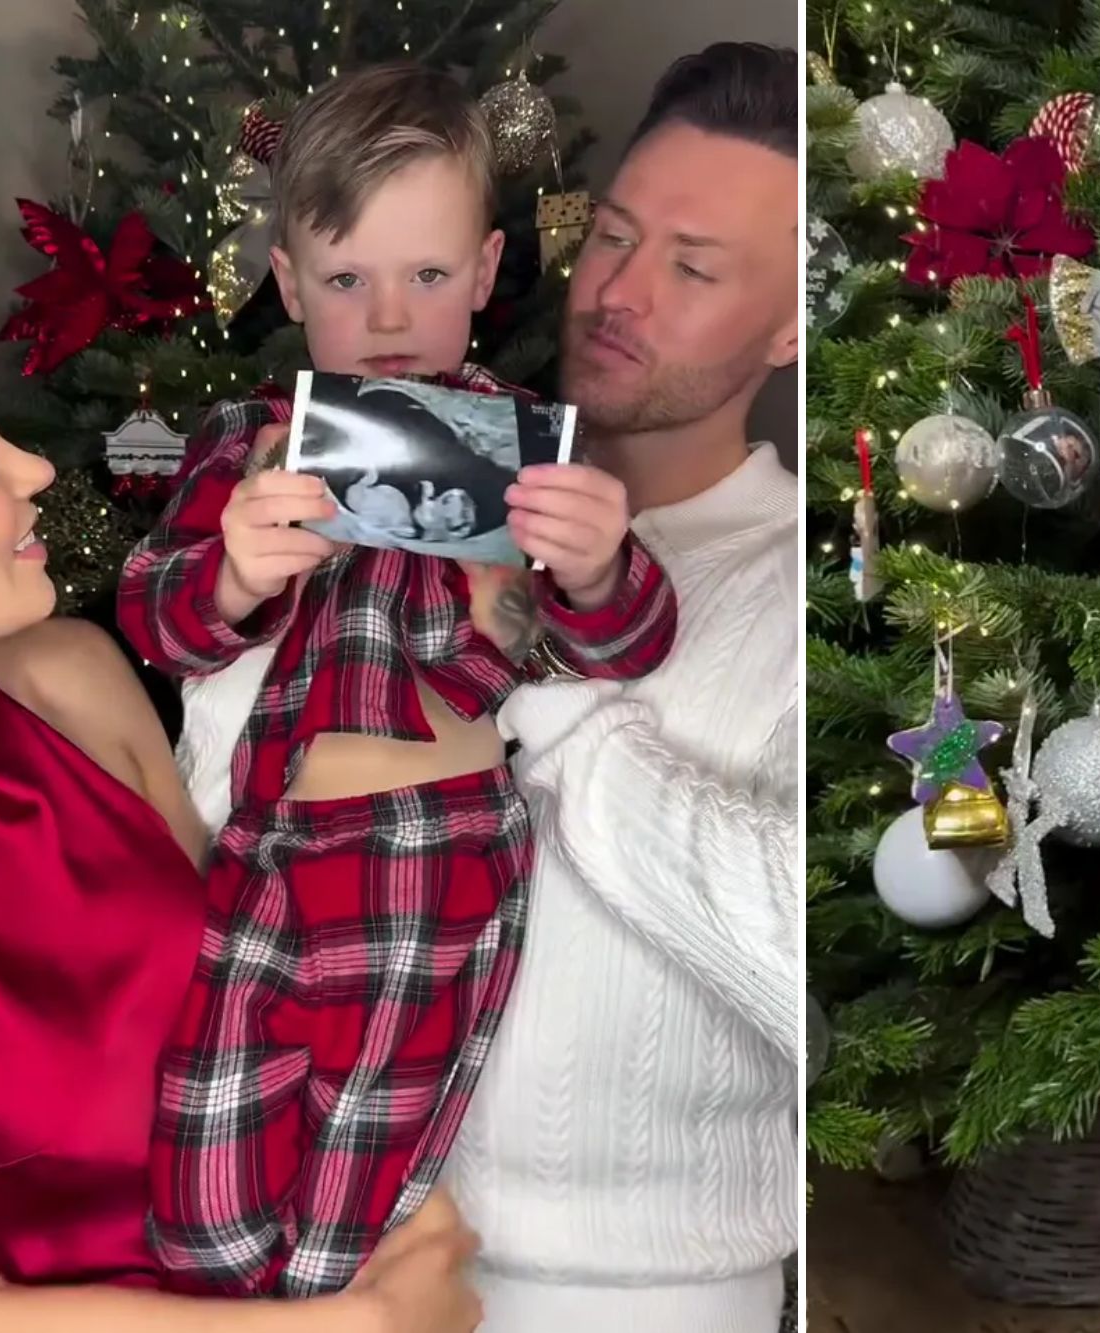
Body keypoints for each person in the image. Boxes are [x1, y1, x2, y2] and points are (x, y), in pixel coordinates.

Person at [0, 255, 478, 1331]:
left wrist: (407, 1205)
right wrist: (358, 1327)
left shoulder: (71, 681)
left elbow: (271, 993)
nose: (30, 469)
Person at [117, 64, 676, 1298]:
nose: (386, 318)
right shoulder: (250, 442)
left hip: (429, 855)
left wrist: (591, 570)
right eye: (345, 279)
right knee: (200, 1217)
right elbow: (154, 614)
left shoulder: (528, 452)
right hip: (265, 852)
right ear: (288, 283)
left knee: (338, 1241)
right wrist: (229, 581)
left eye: (426, 277)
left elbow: (623, 644)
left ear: (483, 274)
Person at [441, 42, 801, 1332]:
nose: (617, 293)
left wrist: (558, 709)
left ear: (790, 320)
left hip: (651, 1297)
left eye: (692, 269)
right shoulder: (433, 508)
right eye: (613, 238)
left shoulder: (815, 591)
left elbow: (814, 964)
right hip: (367, 1251)